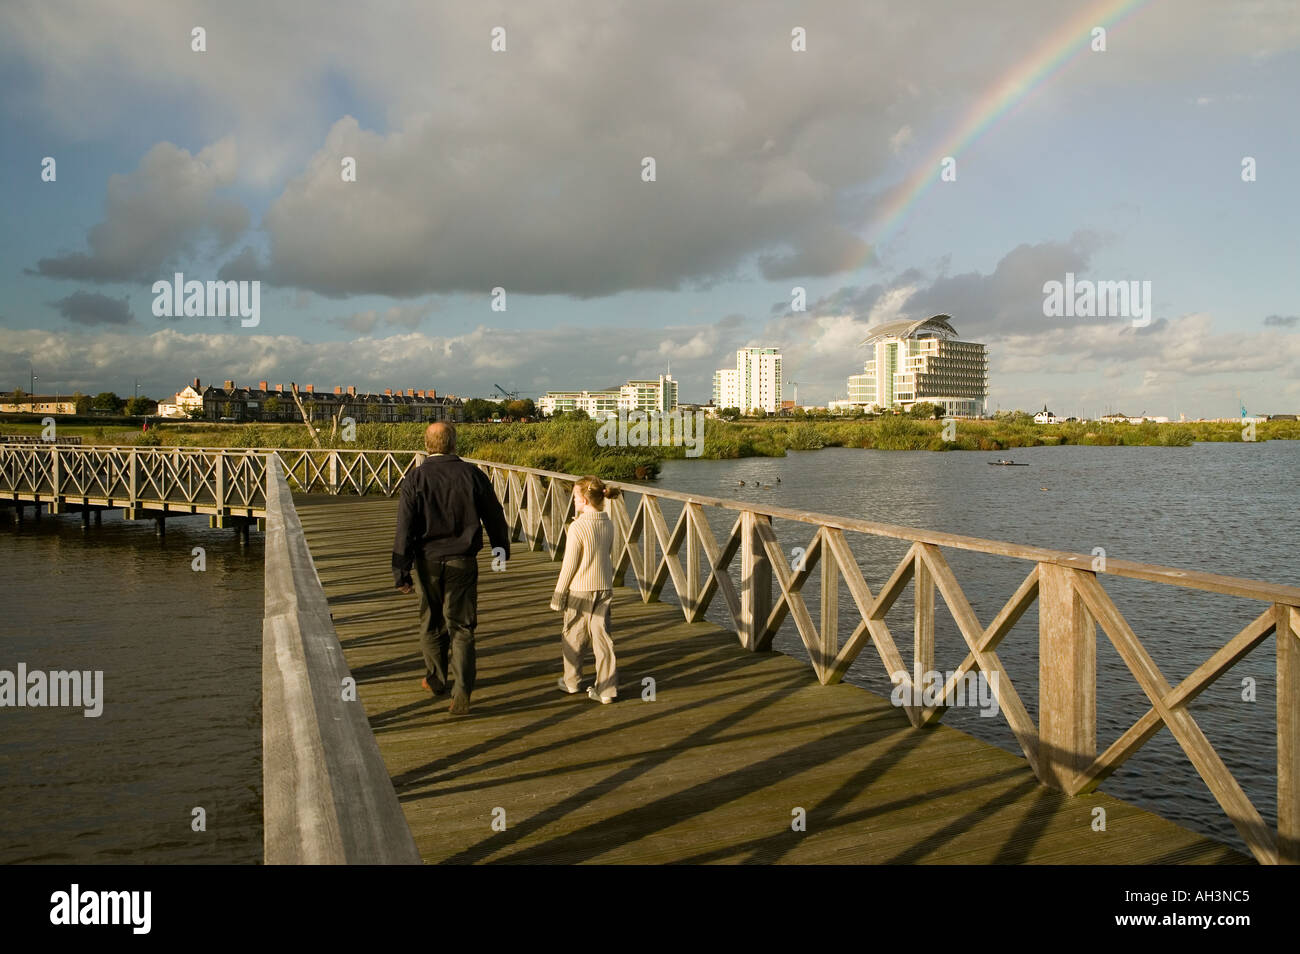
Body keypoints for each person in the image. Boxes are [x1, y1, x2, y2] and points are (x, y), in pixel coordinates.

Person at [392, 422, 509, 715]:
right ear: (454, 443)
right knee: (462, 626)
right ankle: (462, 690)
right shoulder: (472, 475)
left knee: (431, 621)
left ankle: (436, 679)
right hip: (463, 560)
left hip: (427, 562)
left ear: (427, 444)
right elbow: (494, 515)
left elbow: (404, 528)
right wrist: (501, 550)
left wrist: (400, 571)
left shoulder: (415, 479)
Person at [550, 475, 620, 704]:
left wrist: (558, 595)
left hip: (580, 589)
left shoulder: (577, 527)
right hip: (604, 587)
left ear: (585, 501)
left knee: (574, 635)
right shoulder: (607, 522)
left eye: (576, 498)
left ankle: (571, 681)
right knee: (603, 639)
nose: (574, 502)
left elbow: (569, 565)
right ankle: (607, 689)